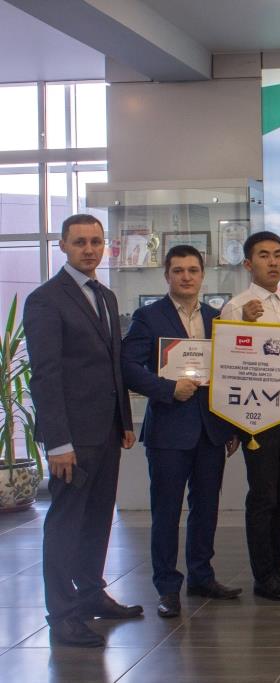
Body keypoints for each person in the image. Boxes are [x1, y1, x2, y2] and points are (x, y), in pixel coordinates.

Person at [24, 214, 140, 647]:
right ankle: (62, 614)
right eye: (80, 242)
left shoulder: (105, 296)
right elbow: (45, 375)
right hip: (71, 438)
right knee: (65, 523)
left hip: (106, 431)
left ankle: (92, 594)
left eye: (95, 241)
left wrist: (124, 421)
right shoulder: (45, 300)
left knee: (97, 518)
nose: (89, 249)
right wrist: (58, 442)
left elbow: (113, 365)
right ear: (63, 246)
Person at [121, 245, 241, 618]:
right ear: (167, 276)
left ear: (202, 275)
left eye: (192, 270)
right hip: (169, 431)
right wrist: (166, 388)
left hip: (211, 430)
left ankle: (202, 576)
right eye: (178, 270)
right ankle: (167, 587)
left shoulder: (216, 318)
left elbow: (230, 372)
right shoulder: (148, 317)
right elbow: (127, 366)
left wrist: (232, 424)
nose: (186, 276)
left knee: (206, 508)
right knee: (167, 511)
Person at [220, 231, 280, 601]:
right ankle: (263, 575)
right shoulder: (236, 307)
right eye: (263, 255)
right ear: (248, 263)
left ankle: (278, 564)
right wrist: (244, 323)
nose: (273, 261)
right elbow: (229, 360)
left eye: (278, 254)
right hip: (257, 414)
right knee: (264, 495)